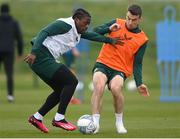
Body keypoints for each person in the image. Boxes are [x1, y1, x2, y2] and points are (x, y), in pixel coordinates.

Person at [24, 8, 122, 133]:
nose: (86, 26)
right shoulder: (65, 24)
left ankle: (37, 117)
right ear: (76, 19)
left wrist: (109, 39)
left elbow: (91, 35)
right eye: (85, 23)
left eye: (88, 24)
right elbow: (44, 32)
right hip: (40, 56)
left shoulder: (77, 30)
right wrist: (33, 52)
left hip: (44, 58)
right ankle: (59, 118)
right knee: (71, 81)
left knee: (61, 90)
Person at [91, 4, 150, 134]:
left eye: (133, 20)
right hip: (103, 63)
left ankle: (119, 123)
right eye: (128, 18)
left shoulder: (143, 39)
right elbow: (93, 32)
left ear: (139, 19)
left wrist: (139, 83)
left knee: (117, 88)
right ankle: (95, 123)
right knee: (99, 86)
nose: (129, 22)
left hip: (120, 70)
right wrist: (108, 28)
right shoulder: (117, 23)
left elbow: (138, 63)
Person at [0, 3, 23, 102]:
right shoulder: (14, 23)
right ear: (9, 11)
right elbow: (19, 39)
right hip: (9, 51)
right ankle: (10, 96)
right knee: (9, 74)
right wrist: (20, 52)